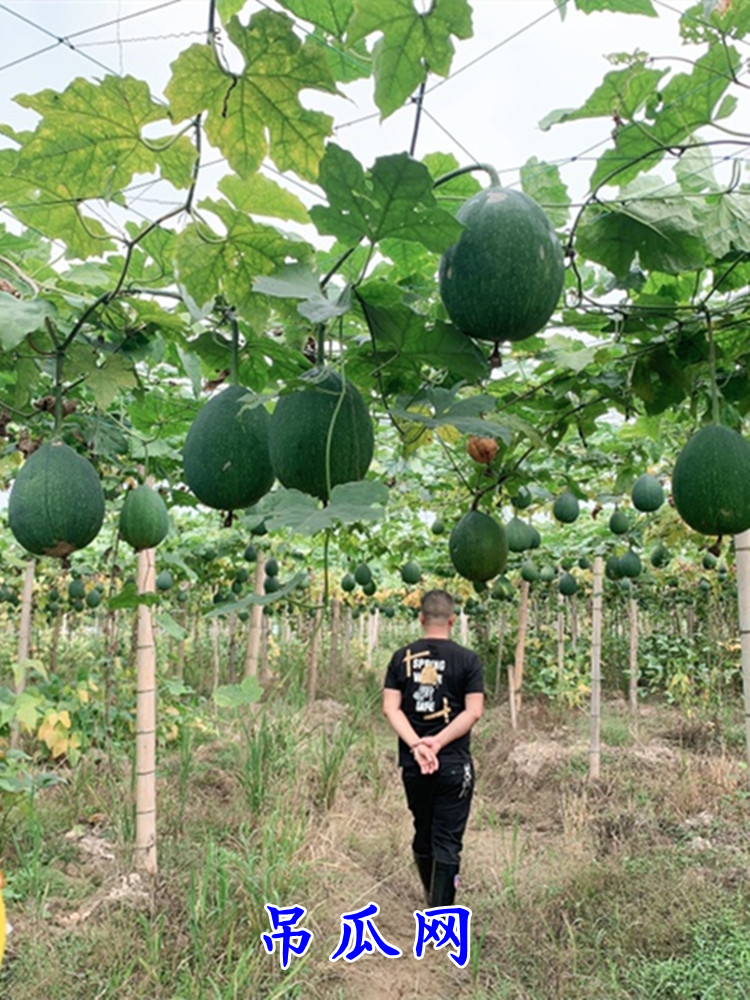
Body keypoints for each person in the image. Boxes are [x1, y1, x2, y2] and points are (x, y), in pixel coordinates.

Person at [383, 588, 484, 907]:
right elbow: (473, 711)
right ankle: (441, 914)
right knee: (447, 841)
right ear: (453, 620)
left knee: (423, 832)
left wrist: (416, 744)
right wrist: (438, 743)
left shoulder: (401, 658)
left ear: (421, 618)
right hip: (453, 763)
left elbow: (390, 708)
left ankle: (432, 900)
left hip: (415, 764)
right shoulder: (468, 660)